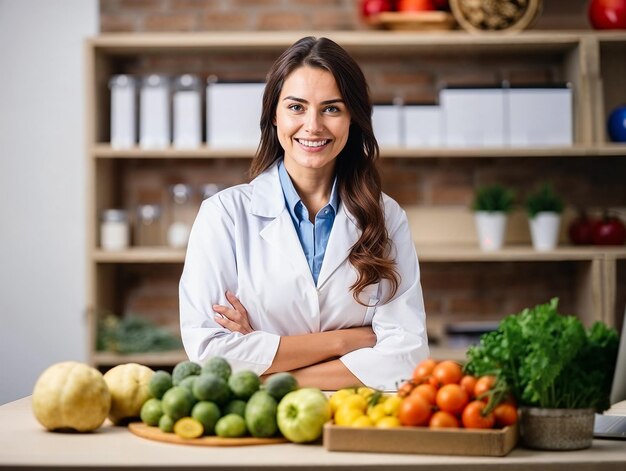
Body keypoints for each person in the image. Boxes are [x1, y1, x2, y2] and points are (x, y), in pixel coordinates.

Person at [179, 36, 428, 391]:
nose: (313, 126)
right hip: (263, 427)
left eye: (331, 108)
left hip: (353, 422)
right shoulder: (224, 216)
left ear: (353, 119)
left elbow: (407, 358)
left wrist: (267, 368)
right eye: (296, 107)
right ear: (274, 115)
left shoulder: (386, 217)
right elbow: (210, 353)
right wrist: (347, 341)